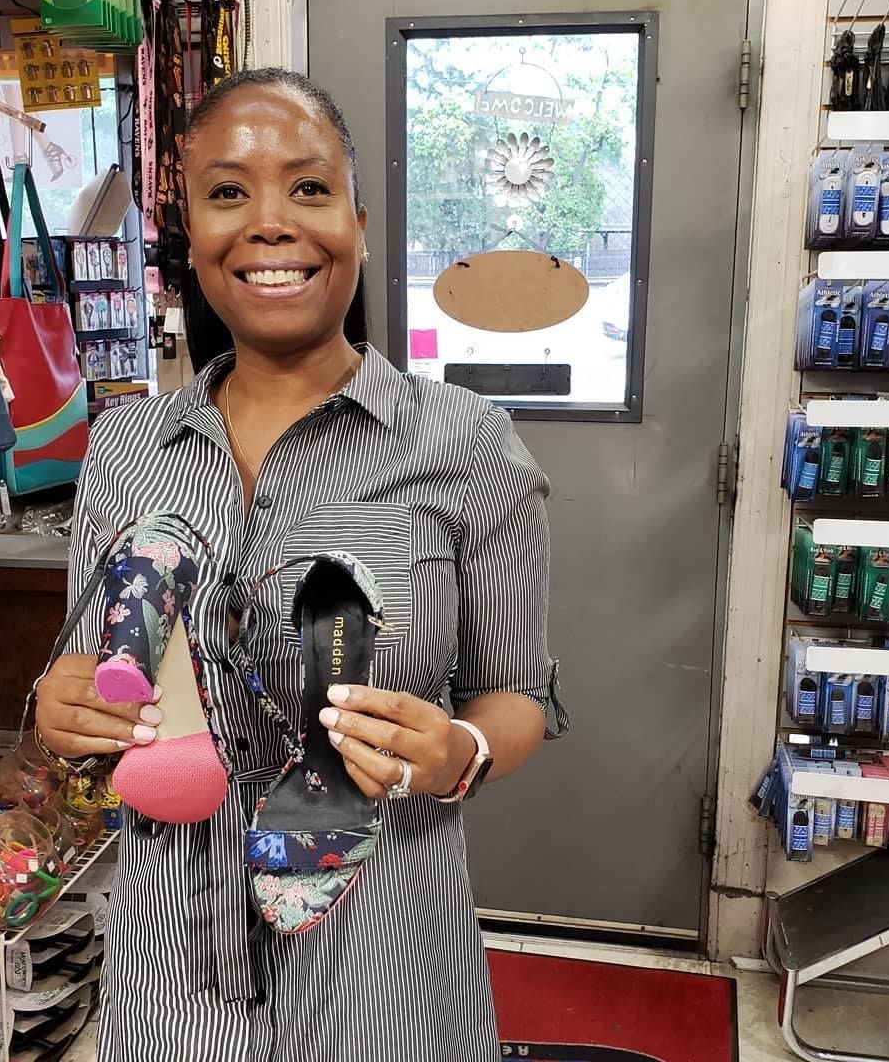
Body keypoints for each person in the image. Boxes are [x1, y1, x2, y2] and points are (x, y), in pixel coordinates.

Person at [34, 68, 566, 1061]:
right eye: (228, 192)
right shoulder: (124, 449)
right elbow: (93, 708)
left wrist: (458, 754)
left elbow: (520, 696)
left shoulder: (469, 444)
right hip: (171, 986)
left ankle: (313, 709)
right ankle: (202, 616)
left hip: (385, 975)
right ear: (188, 237)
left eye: (309, 189)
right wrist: (63, 711)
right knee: (147, 646)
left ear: (360, 224)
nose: (270, 223)